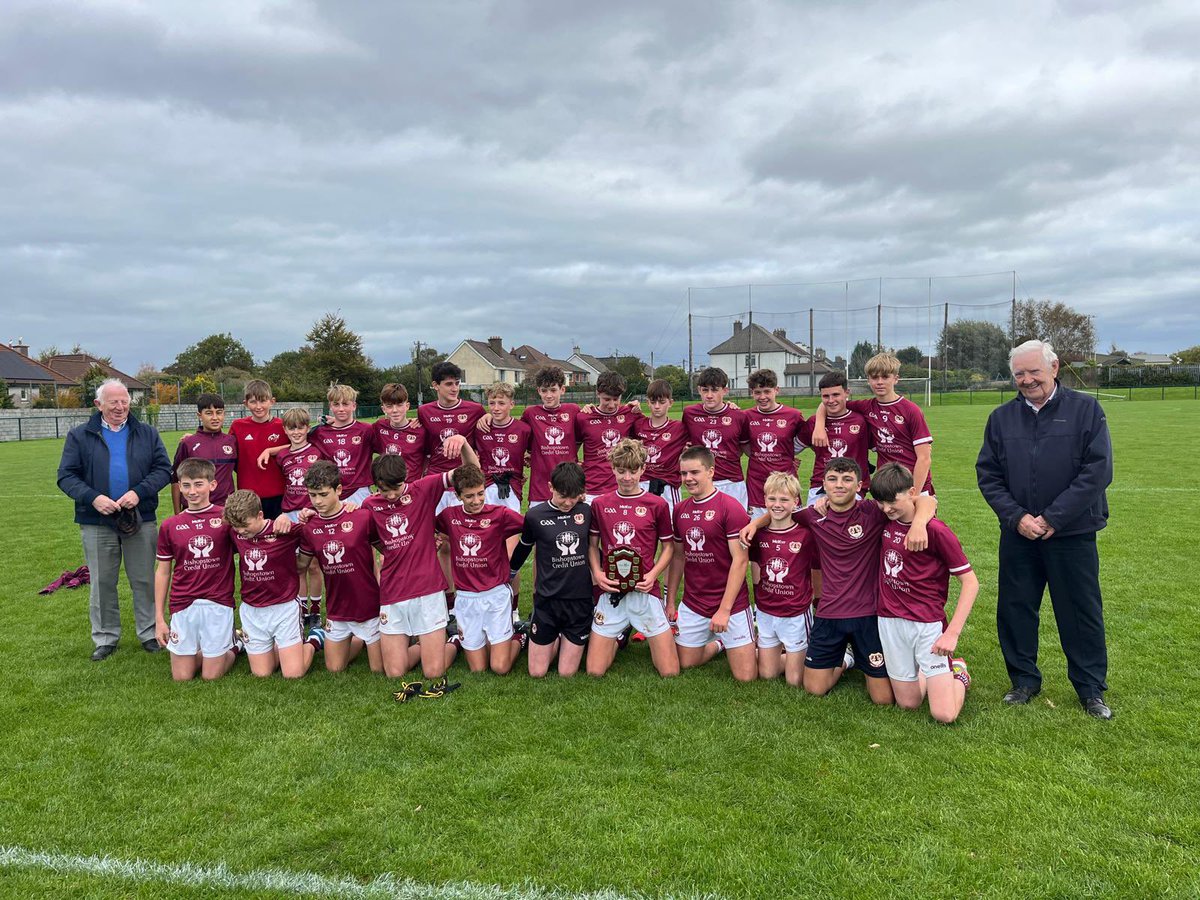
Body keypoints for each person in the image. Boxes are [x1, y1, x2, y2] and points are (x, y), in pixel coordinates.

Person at [976, 339, 1114, 719]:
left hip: (1071, 533)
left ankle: (1090, 689)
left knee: (1080, 610)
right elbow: (988, 475)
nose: (1026, 379)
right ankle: (1023, 680)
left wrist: (1054, 517)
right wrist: (1016, 517)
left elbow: (1098, 471)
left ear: (1054, 368)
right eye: (1019, 373)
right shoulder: (1001, 419)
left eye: (1034, 371)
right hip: (1018, 533)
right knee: (1016, 608)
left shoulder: (1086, 410)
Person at [741, 457, 938, 704]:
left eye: (847, 479)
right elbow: (780, 513)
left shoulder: (873, 512)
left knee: (883, 700)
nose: (839, 485)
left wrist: (919, 523)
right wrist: (755, 523)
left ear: (859, 486)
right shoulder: (814, 515)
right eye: (833, 479)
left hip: (868, 615)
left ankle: (923, 669)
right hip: (829, 614)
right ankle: (846, 658)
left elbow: (926, 500)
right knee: (813, 688)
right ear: (824, 484)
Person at [57, 377, 172, 660]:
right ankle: (106, 637)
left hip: (140, 517)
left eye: (124, 402)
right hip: (97, 521)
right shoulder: (80, 435)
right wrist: (93, 498)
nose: (120, 407)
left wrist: (139, 492)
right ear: (98, 404)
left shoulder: (147, 433)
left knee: (144, 579)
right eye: (114, 403)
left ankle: (149, 633)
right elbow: (66, 476)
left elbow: (162, 469)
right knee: (102, 581)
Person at [870, 463, 977, 723]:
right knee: (908, 704)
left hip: (927, 624)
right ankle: (928, 671)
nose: (886, 509)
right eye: (881, 503)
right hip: (889, 620)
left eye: (892, 501)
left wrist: (952, 633)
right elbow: (925, 501)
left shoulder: (937, 531)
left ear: (911, 492)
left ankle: (959, 673)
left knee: (944, 715)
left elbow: (970, 583)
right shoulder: (885, 521)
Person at [365, 438, 477, 682]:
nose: (392, 495)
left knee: (433, 672)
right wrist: (392, 552)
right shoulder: (370, 505)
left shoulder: (424, 488)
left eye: (397, 488)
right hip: (393, 591)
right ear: (376, 486)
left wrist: (464, 444)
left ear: (406, 477)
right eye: (385, 490)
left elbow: (472, 471)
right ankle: (425, 647)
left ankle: (454, 641)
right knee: (395, 673)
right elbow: (372, 538)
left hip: (427, 588)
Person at [586, 439, 678, 678]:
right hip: (612, 591)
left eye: (633, 471)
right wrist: (597, 573)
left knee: (669, 671)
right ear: (613, 468)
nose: (627, 477)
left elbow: (668, 547)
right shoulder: (600, 504)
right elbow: (592, 545)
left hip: (645, 591)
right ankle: (620, 636)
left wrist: (652, 575)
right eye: (621, 471)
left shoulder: (657, 504)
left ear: (643, 469)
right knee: (595, 671)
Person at [665, 446, 755, 681]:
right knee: (686, 663)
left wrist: (724, 611)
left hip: (731, 604)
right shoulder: (680, 510)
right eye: (684, 474)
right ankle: (718, 644)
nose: (688, 479)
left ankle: (735, 635)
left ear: (711, 471)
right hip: (694, 602)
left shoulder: (730, 507)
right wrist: (670, 601)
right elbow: (677, 557)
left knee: (746, 677)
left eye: (694, 472)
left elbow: (741, 560)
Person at [153, 458, 242, 681]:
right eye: (186, 485)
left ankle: (236, 646)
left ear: (212, 485)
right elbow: (163, 572)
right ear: (179, 487)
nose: (192, 491)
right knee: (182, 677)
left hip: (218, 602)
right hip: (183, 604)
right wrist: (159, 619)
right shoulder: (170, 526)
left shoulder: (226, 519)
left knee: (211, 676)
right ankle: (218, 646)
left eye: (198, 484)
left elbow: (253, 541)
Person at [222, 489, 326, 679]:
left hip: (284, 607)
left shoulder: (282, 529)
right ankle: (249, 644)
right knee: (262, 673)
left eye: (245, 525)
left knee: (293, 674)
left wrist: (303, 515)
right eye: (236, 526)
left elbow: (313, 530)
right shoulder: (235, 533)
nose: (241, 531)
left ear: (260, 515)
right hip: (252, 609)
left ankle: (314, 639)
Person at [435, 463, 526, 674]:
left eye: (480, 494)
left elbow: (533, 526)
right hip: (466, 599)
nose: (476, 501)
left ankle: (520, 637)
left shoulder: (500, 514)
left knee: (500, 667)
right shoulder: (449, 516)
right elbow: (425, 525)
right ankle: (458, 639)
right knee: (478, 669)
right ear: (458, 496)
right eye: (469, 496)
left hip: (496, 596)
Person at [295, 460, 383, 673]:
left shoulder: (361, 517)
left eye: (324, 494)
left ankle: (377, 637)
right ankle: (328, 637)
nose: (317, 501)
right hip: (337, 609)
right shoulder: (309, 527)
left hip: (369, 606)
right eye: (313, 495)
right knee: (334, 669)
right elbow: (300, 567)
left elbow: (387, 549)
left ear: (339, 490)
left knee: (379, 670)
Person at [510, 462, 592, 677]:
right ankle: (538, 635)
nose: (568, 502)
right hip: (547, 600)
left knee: (566, 673)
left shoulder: (587, 511)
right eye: (563, 495)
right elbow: (524, 547)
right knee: (537, 673)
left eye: (574, 496)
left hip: (579, 601)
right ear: (550, 487)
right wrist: (509, 573)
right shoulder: (535, 515)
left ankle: (567, 636)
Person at [811, 352, 934, 496]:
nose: (879, 382)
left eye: (885, 377)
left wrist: (914, 494)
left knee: (920, 519)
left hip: (915, 485)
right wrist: (819, 425)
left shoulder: (911, 410)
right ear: (868, 380)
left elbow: (924, 458)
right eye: (875, 377)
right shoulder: (866, 407)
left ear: (896, 379)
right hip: (886, 483)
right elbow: (830, 402)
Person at [749, 472, 819, 686]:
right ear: (764, 500)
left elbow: (816, 569)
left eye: (784, 500)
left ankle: (844, 658)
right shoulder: (757, 533)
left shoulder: (806, 534)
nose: (777, 505)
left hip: (795, 612)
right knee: (767, 675)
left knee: (794, 680)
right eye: (772, 499)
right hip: (766, 610)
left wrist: (817, 600)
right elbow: (753, 565)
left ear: (796, 502)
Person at [265, 407, 327, 628]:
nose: (296, 432)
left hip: (312, 513)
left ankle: (316, 609)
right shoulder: (282, 456)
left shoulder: (317, 451)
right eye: (291, 428)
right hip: (290, 514)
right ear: (285, 430)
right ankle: (301, 610)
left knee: (314, 566)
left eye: (301, 427)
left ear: (307, 428)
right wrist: (271, 451)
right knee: (298, 565)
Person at [418, 361, 485, 512]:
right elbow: (424, 447)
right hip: (436, 478)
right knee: (436, 531)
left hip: (465, 480)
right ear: (435, 385)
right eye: (449, 384)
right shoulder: (424, 411)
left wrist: (488, 418)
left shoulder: (475, 410)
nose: (455, 388)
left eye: (457, 383)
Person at [797, 372, 872, 506]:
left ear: (847, 392)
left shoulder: (861, 421)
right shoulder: (814, 423)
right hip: (819, 486)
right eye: (826, 396)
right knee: (817, 525)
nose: (831, 400)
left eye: (836, 395)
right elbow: (788, 448)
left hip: (852, 487)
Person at [682, 367, 750, 507]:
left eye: (714, 390)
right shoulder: (690, 414)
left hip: (732, 482)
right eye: (705, 390)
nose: (709, 395)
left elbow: (745, 448)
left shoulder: (739, 416)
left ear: (725, 391)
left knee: (737, 527)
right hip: (702, 481)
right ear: (699, 390)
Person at [744, 368, 806, 519]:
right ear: (752, 392)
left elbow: (806, 438)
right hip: (756, 485)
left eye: (767, 391)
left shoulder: (794, 416)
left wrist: (789, 454)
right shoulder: (745, 416)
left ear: (776, 390)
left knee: (789, 533)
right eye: (757, 392)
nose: (762, 397)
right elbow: (742, 444)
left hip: (786, 484)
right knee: (757, 535)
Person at [576, 371, 643, 502]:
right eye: (606, 399)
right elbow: (572, 451)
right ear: (598, 393)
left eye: (616, 399)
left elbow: (648, 436)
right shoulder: (583, 417)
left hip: (623, 488)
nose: (611, 405)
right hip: (592, 490)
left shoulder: (630, 414)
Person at [520, 365, 581, 506]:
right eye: (544, 390)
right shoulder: (530, 414)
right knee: (538, 528)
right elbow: (514, 434)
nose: (548, 395)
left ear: (562, 390)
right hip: (539, 489)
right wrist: (487, 417)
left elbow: (583, 436)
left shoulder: (574, 410)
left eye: (553, 390)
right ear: (538, 391)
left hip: (569, 486)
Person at [229, 379, 287, 519]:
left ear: (272, 401)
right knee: (251, 537)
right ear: (245, 403)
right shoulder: (238, 426)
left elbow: (301, 445)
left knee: (277, 537)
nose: (258, 406)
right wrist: (195, 437)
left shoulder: (283, 426)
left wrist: (270, 451)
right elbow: (223, 446)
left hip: (279, 494)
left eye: (263, 401)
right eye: (253, 402)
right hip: (248, 496)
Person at [311, 383, 376, 506]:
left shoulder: (366, 430)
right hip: (331, 491)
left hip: (359, 491)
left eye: (345, 404)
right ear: (330, 406)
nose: (341, 409)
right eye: (336, 404)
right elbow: (295, 441)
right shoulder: (319, 432)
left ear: (354, 406)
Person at [170, 393, 237, 512]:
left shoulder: (232, 441)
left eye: (219, 412)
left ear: (224, 414)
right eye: (209, 413)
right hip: (194, 509)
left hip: (225, 509)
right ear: (199, 415)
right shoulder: (188, 444)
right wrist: (177, 513)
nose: (215, 417)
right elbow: (175, 479)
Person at [474, 381, 531, 512]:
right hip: (485, 486)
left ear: (511, 404)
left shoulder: (524, 430)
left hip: (512, 487)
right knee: (486, 527)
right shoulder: (479, 429)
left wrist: (527, 458)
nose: (496, 408)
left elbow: (533, 453)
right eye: (492, 403)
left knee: (510, 528)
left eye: (501, 403)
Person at [633, 378, 687, 513]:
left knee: (672, 525)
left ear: (670, 403)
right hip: (643, 483)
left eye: (662, 402)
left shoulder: (680, 428)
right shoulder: (638, 424)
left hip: (668, 486)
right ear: (647, 403)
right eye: (653, 402)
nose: (657, 406)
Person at [373, 382, 427, 482]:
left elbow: (429, 458)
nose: (395, 410)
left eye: (399, 405)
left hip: (411, 490)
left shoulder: (421, 430)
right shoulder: (378, 427)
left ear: (407, 406)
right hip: (387, 490)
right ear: (383, 409)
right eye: (389, 406)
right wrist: (334, 421)